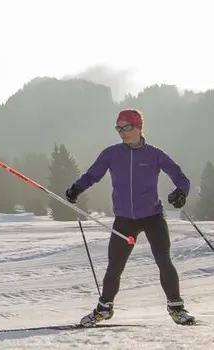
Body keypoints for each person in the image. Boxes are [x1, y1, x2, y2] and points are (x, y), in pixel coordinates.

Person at [65, 109, 195, 326]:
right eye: (119, 128)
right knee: (114, 267)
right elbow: (92, 175)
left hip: (153, 216)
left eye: (127, 127)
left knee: (164, 261)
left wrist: (181, 192)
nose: (122, 132)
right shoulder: (112, 153)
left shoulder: (154, 154)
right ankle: (104, 309)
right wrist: (77, 188)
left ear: (139, 127)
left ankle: (176, 308)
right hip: (124, 219)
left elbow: (181, 177)